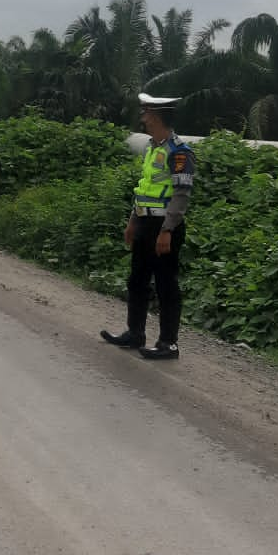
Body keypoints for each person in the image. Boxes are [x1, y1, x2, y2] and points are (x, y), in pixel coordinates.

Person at [101, 92, 195, 359]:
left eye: (146, 113)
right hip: (143, 221)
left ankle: (168, 343)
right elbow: (145, 188)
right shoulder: (153, 147)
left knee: (166, 285)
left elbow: (181, 195)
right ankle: (135, 333)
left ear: (157, 116)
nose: (143, 118)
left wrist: (167, 230)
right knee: (137, 280)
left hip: (164, 226)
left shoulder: (179, 152)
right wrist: (133, 220)